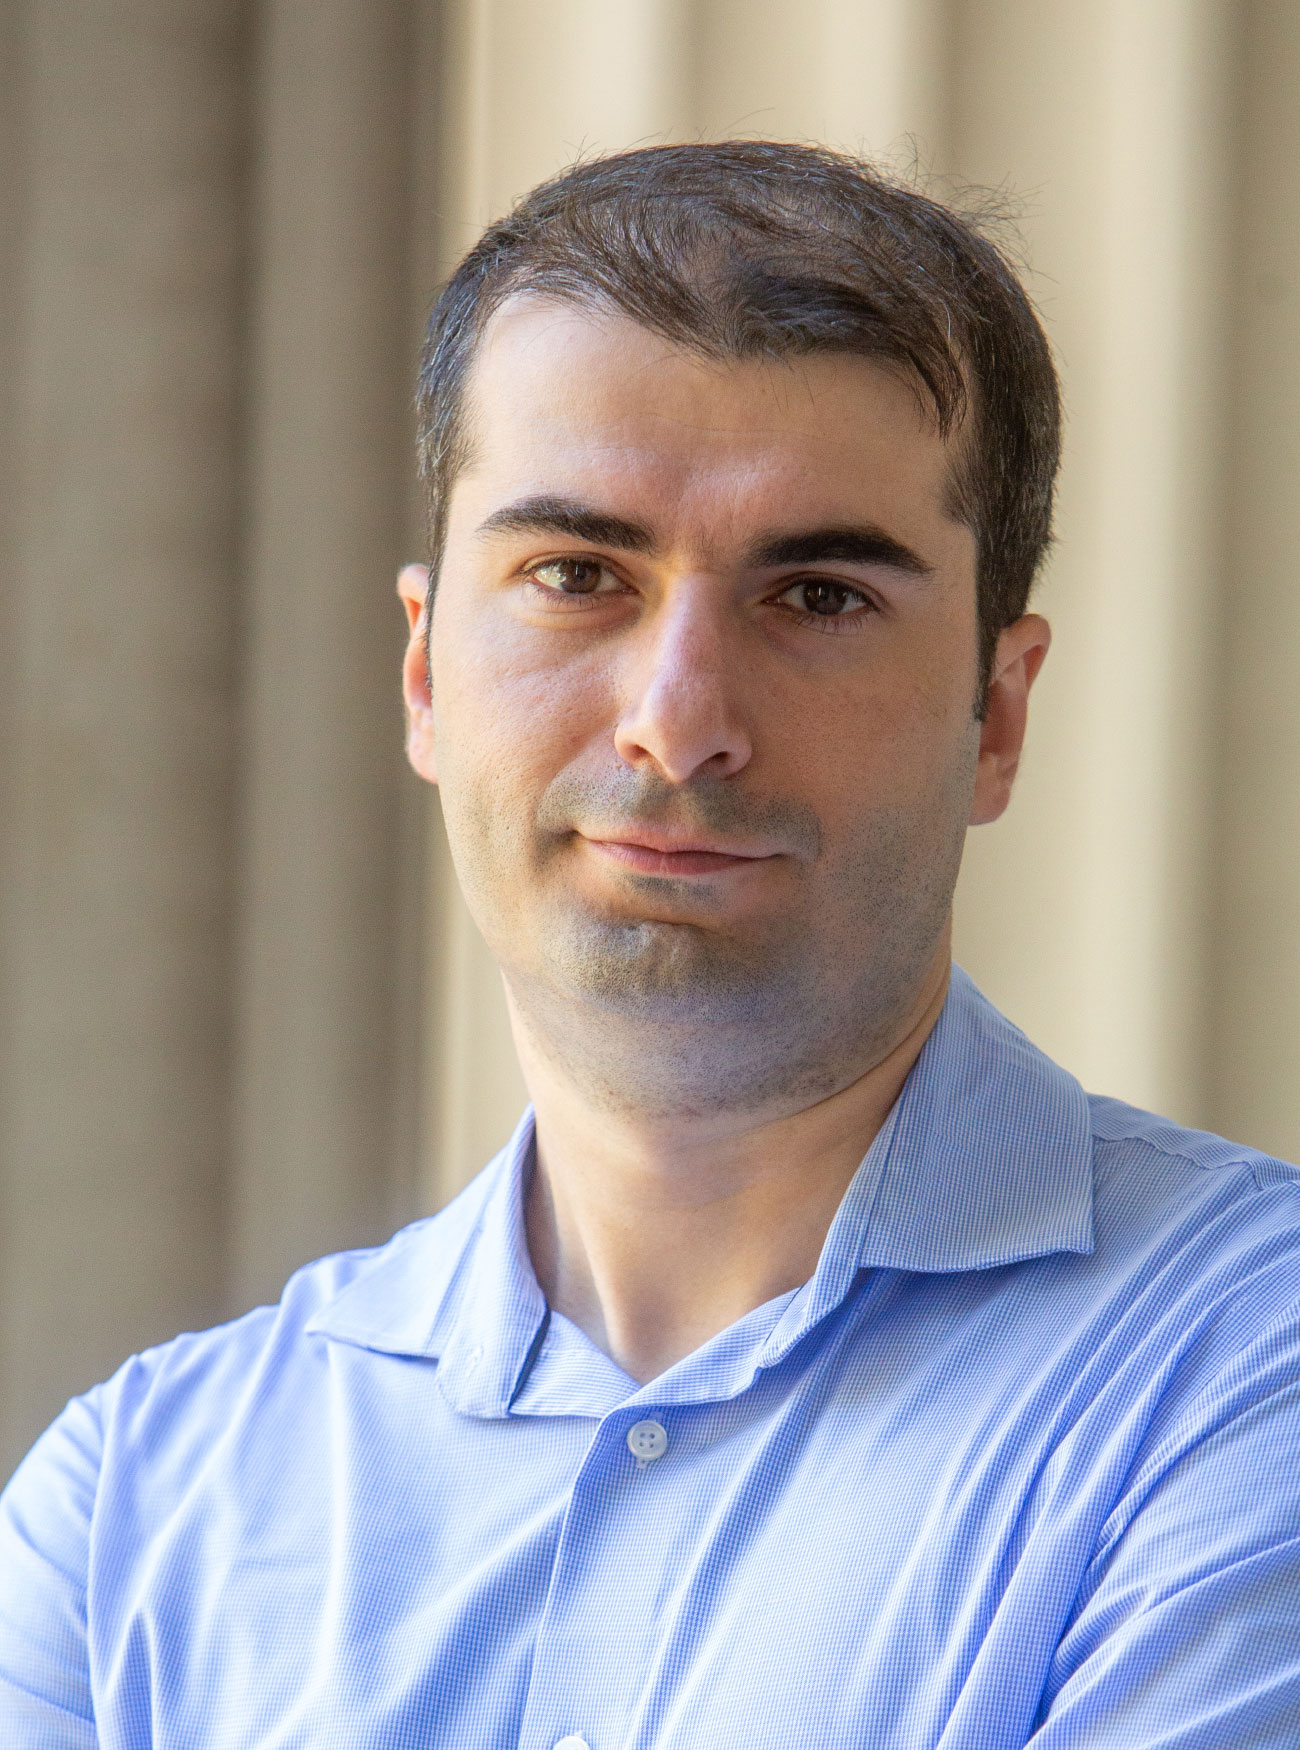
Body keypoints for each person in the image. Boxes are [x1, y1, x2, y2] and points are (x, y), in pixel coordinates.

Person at [2, 140, 1298, 1749]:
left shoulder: (1252, 1372)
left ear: (998, 711)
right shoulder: (134, 1508)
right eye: (573, 575)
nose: (678, 721)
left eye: (818, 596)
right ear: (425, 676)